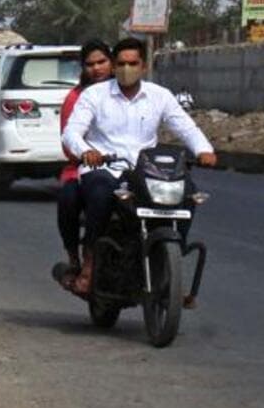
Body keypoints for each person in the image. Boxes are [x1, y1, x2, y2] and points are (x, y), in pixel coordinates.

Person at [62, 37, 217, 295]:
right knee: (100, 193)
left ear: (143, 66)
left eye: (132, 63)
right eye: (121, 63)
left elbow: (185, 127)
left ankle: (173, 258)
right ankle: (89, 263)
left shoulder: (159, 96)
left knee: (188, 193)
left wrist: (204, 150)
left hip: (145, 171)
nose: (126, 69)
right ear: (113, 66)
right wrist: (86, 151)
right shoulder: (94, 95)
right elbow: (71, 133)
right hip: (105, 168)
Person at [54, 40, 113, 288]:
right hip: (84, 165)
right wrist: (87, 153)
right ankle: (78, 260)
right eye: (90, 64)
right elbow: (69, 141)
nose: (97, 68)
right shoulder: (76, 98)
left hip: (128, 168)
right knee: (69, 197)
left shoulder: (127, 93)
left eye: (102, 62)